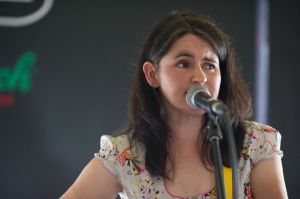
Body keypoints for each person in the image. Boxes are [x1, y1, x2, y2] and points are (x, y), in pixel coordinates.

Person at [60, 11, 288, 199]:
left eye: (209, 65)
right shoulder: (126, 155)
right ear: (152, 74)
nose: (200, 77)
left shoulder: (256, 143)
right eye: (183, 64)